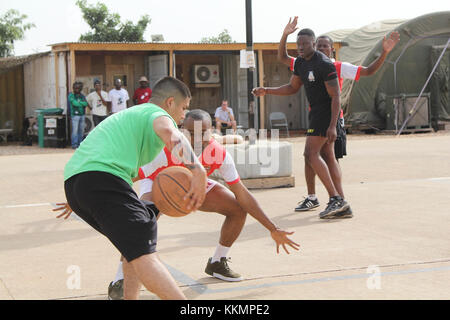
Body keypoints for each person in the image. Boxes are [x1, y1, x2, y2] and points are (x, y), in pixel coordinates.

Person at [56, 109, 300, 300]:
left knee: (236, 208)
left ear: (212, 131)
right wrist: (81, 196)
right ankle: (120, 280)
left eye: (202, 132)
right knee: (137, 225)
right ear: (182, 131)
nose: (195, 138)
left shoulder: (219, 154)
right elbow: (128, 177)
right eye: (190, 132)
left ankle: (218, 261)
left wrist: (272, 228)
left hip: (195, 185)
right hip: (159, 186)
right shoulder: (164, 151)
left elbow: (243, 193)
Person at [61, 76, 208, 300]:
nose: (183, 115)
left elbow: (128, 168)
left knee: (134, 244)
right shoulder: (156, 115)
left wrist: (80, 195)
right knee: (143, 248)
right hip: (100, 179)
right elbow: (172, 134)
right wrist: (198, 170)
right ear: (169, 103)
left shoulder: (132, 118)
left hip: (79, 182)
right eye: (183, 108)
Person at [278, 17, 400, 217]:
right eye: (320, 46)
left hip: (333, 118)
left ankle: (338, 198)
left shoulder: (337, 66)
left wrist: (385, 52)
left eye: (327, 46)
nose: (323, 48)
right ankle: (314, 197)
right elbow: (286, 62)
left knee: (325, 157)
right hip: (316, 115)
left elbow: (368, 71)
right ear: (315, 47)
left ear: (332, 50)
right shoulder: (308, 61)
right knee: (311, 156)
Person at [253, 28, 349, 219]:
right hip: (316, 114)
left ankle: (336, 199)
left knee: (310, 153)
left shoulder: (324, 64)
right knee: (327, 156)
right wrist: (267, 90)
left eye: (305, 44)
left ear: (313, 44)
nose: (301, 47)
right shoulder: (300, 64)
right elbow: (291, 87)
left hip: (326, 113)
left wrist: (332, 125)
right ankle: (340, 203)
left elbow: (336, 96)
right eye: (298, 44)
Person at [68, 82, 88, 149]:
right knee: (75, 131)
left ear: (81, 88)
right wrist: (81, 103)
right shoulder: (71, 95)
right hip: (75, 115)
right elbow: (74, 103)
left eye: (78, 88)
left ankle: (80, 144)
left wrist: (79, 103)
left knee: (81, 131)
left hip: (82, 115)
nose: (77, 89)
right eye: (75, 88)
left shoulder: (82, 96)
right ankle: (74, 145)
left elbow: (85, 104)